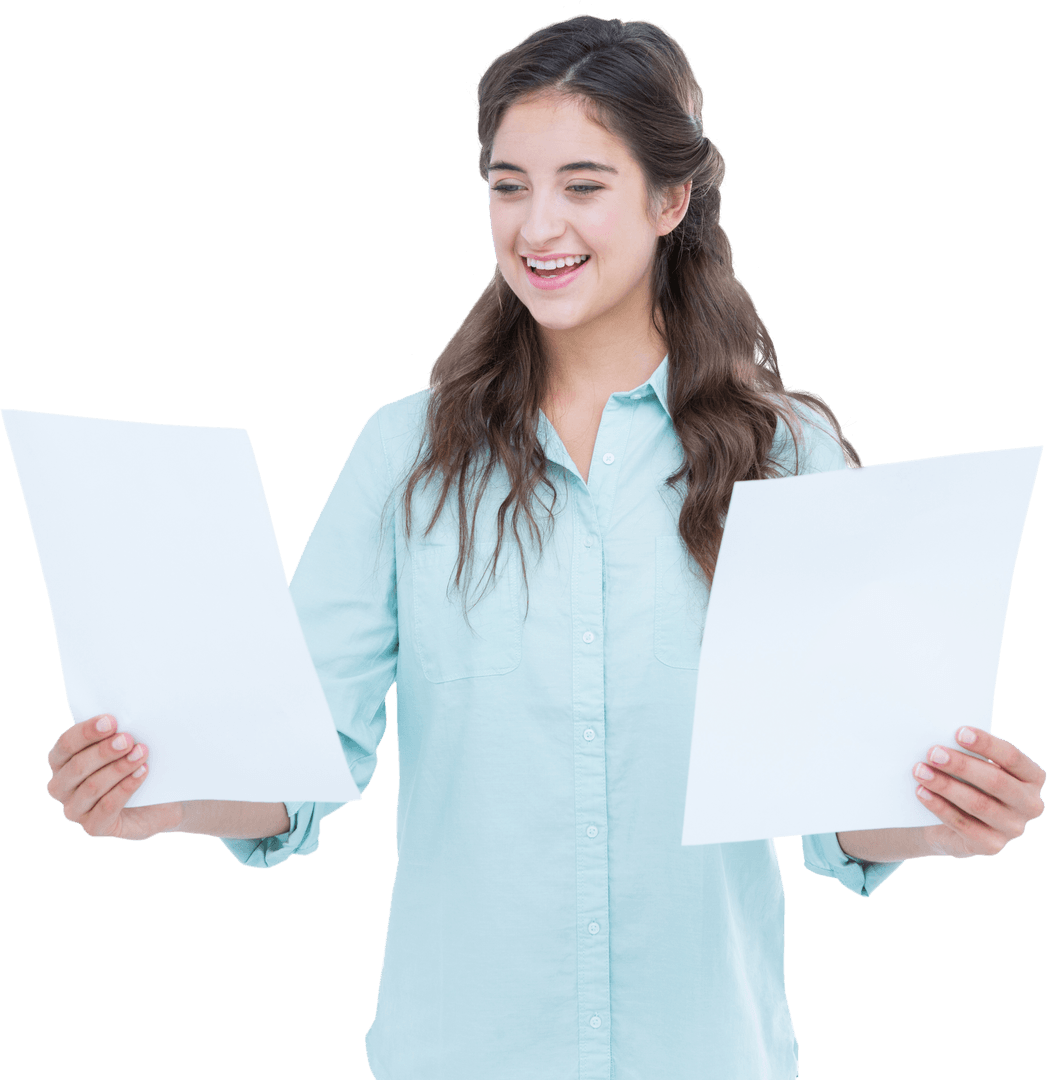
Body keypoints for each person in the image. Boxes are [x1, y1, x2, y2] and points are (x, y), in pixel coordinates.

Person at [44, 15, 1045, 1080]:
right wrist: (167, 798)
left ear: (670, 200)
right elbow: (297, 760)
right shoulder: (404, 454)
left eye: (582, 184)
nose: (537, 225)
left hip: (704, 1052)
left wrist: (944, 823)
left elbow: (834, 800)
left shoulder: (785, 455)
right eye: (508, 185)